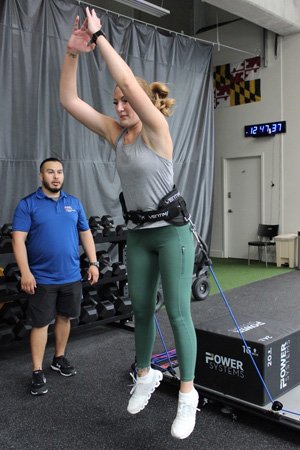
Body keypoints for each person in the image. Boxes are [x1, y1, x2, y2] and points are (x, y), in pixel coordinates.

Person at [60, 8, 199, 439]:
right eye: (116, 102)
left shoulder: (157, 129)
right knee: (140, 308)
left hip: (172, 235)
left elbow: (125, 78)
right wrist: (72, 54)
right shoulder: (115, 134)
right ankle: (145, 374)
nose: (120, 107)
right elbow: (69, 101)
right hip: (139, 236)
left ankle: (188, 396)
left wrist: (100, 39)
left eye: (126, 100)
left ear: (141, 103)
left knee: (176, 311)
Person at [12, 158, 99, 396]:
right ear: (41, 176)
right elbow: (18, 240)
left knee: (65, 317)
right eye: (50, 172)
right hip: (42, 278)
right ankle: (37, 370)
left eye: (59, 172)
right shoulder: (28, 204)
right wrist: (26, 272)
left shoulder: (74, 203)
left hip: (70, 275)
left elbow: (86, 233)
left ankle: (58, 358)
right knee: (40, 324)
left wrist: (93, 262)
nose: (56, 176)